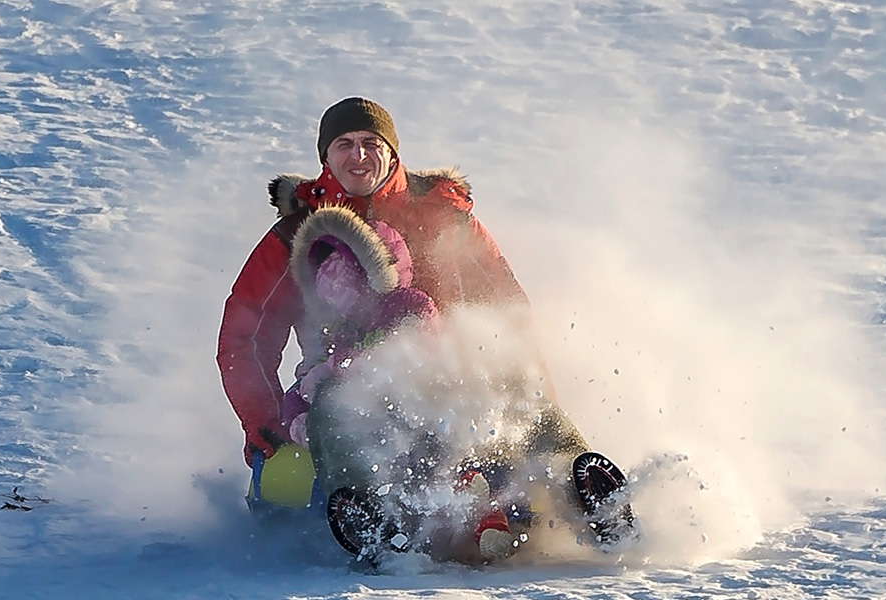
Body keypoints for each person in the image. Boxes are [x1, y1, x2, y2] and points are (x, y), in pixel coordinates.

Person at [216, 97, 631, 564]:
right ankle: (369, 515)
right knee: (334, 408)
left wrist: (542, 388)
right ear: (325, 159)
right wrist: (265, 424)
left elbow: (507, 307)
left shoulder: (442, 214)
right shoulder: (300, 233)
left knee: (514, 385)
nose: (359, 156)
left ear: (393, 153)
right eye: (344, 145)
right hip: (349, 378)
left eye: (371, 143)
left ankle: (586, 488)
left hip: (450, 373)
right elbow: (245, 337)